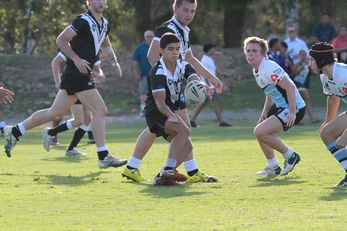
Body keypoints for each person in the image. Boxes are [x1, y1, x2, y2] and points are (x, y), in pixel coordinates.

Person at [3, 0, 127, 169]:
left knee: (55, 112)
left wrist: (114, 62)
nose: (101, 1)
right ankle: (103, 155)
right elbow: (61, 40)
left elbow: (105, 43)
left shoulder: (105, 23)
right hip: (77, 74)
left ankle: (15, 131)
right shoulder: (82, 20)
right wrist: (75, 59)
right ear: (89, 2)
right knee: (100, 111)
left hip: (78, 75)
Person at [122, 0, 221, 183]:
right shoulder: (167, 29)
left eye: (192, 11)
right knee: (183, 132)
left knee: (157, 129)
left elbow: (189, 58)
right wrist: (166, 80)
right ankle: (178, 171)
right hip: (166, 90)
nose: (189, 15)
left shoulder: (184, 31)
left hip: (174, 88)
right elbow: (152, 56)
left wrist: (210, 78)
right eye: (185, 10)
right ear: (175, 8)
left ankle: (132, 167)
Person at [145, 33, 205, 185]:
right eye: (170, 49)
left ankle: (163, 177)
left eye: (178, 49)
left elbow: (192, 77)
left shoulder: (183, 65)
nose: (175, 52)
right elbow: (159, 102)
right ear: (161, 51)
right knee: (185, 131)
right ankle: (168, 170)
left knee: (187, 145)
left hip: (168, 112)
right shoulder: (157, 71)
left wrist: (200, 86)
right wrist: (171, 115)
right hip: (157, 113)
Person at [243, 36, 306, 176]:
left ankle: (290, 156)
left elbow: (289, 87)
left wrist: (292, 112)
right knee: (260, 132)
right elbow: (270, 91)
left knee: (260, 131)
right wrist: (264, 112)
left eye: (254, 51)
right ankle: (273, 166)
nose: (250, 54)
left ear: (263, 53)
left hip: (294, 107)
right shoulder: (257, 69)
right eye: (248, 51)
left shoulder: (268, 68)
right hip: (281, 106)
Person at [48, 52, 102, 156]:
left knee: (87, 119)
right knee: (77, 120)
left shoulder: (95, 48)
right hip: (74, 85)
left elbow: (97, 69)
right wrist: (57, 82)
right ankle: (50, 133)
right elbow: (55, 62)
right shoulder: (74, 46)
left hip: (87, 86)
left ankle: (71, 147)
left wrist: (99, 75)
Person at [309, 42, 347, 187]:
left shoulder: (344, 74)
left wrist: (345, 135)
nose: (310, 63)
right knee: (326, 133)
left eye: (312, 59)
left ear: (322, 60)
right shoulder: (324, 77)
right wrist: (328, 121)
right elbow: (333, 97)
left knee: (343, 141)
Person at [190, 43, 231, 128]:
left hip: (211, 86)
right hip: (208, 86)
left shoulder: (209, 59)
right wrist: (208, 86)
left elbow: (214, 71)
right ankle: (221, 122)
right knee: (216, 102)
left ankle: (191, 120)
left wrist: (223, 75)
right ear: (209, 50)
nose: (214, 50)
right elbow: (203, 73)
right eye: (213, 48)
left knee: (203, 103)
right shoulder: (205, 60)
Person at [291, 49, 319, 124]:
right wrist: (299, 69)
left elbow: (313, 73)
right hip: (297, 84)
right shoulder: (297, 64)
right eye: (302, 54)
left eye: (305, 54)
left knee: (303, 101)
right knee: (306, 99)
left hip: (305, 85)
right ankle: (312, 117)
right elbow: (292, 75)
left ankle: (299, 119)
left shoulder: (308, 64)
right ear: (299, 55)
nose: (304, 56)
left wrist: (313, 68)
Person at [132, 30, 154, 117]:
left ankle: (154, 110)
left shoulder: (158, 46)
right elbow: (135, 61)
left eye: (151, 36)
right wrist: (136, 73)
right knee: (143, 92)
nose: (149, 38)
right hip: (144, 74)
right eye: (147, 36)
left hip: (156, 74)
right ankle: (143, 110)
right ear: (145, 38)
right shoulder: (140, 48)